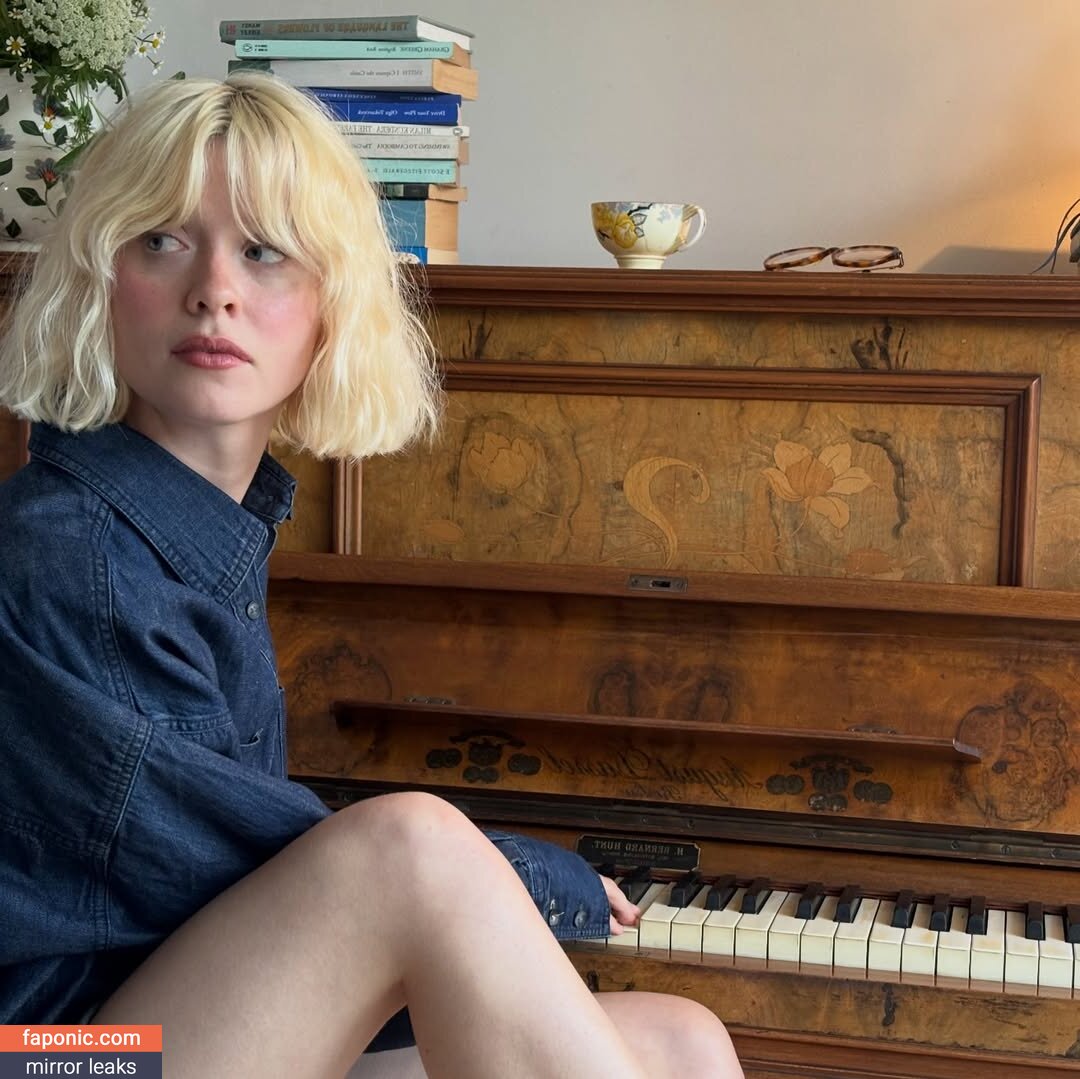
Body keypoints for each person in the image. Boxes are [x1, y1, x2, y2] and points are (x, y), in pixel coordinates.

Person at [0, 73, 744, 1078]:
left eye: (264, 251)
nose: (214, 288)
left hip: (171, 1025)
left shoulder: (202, 527)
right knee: (414, 849)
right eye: (161, 240)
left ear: (330, 308)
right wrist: (525, 875)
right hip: (56, 1055)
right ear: (100, 279)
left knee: (680, 1041)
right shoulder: (72, 553)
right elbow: (231, 866)